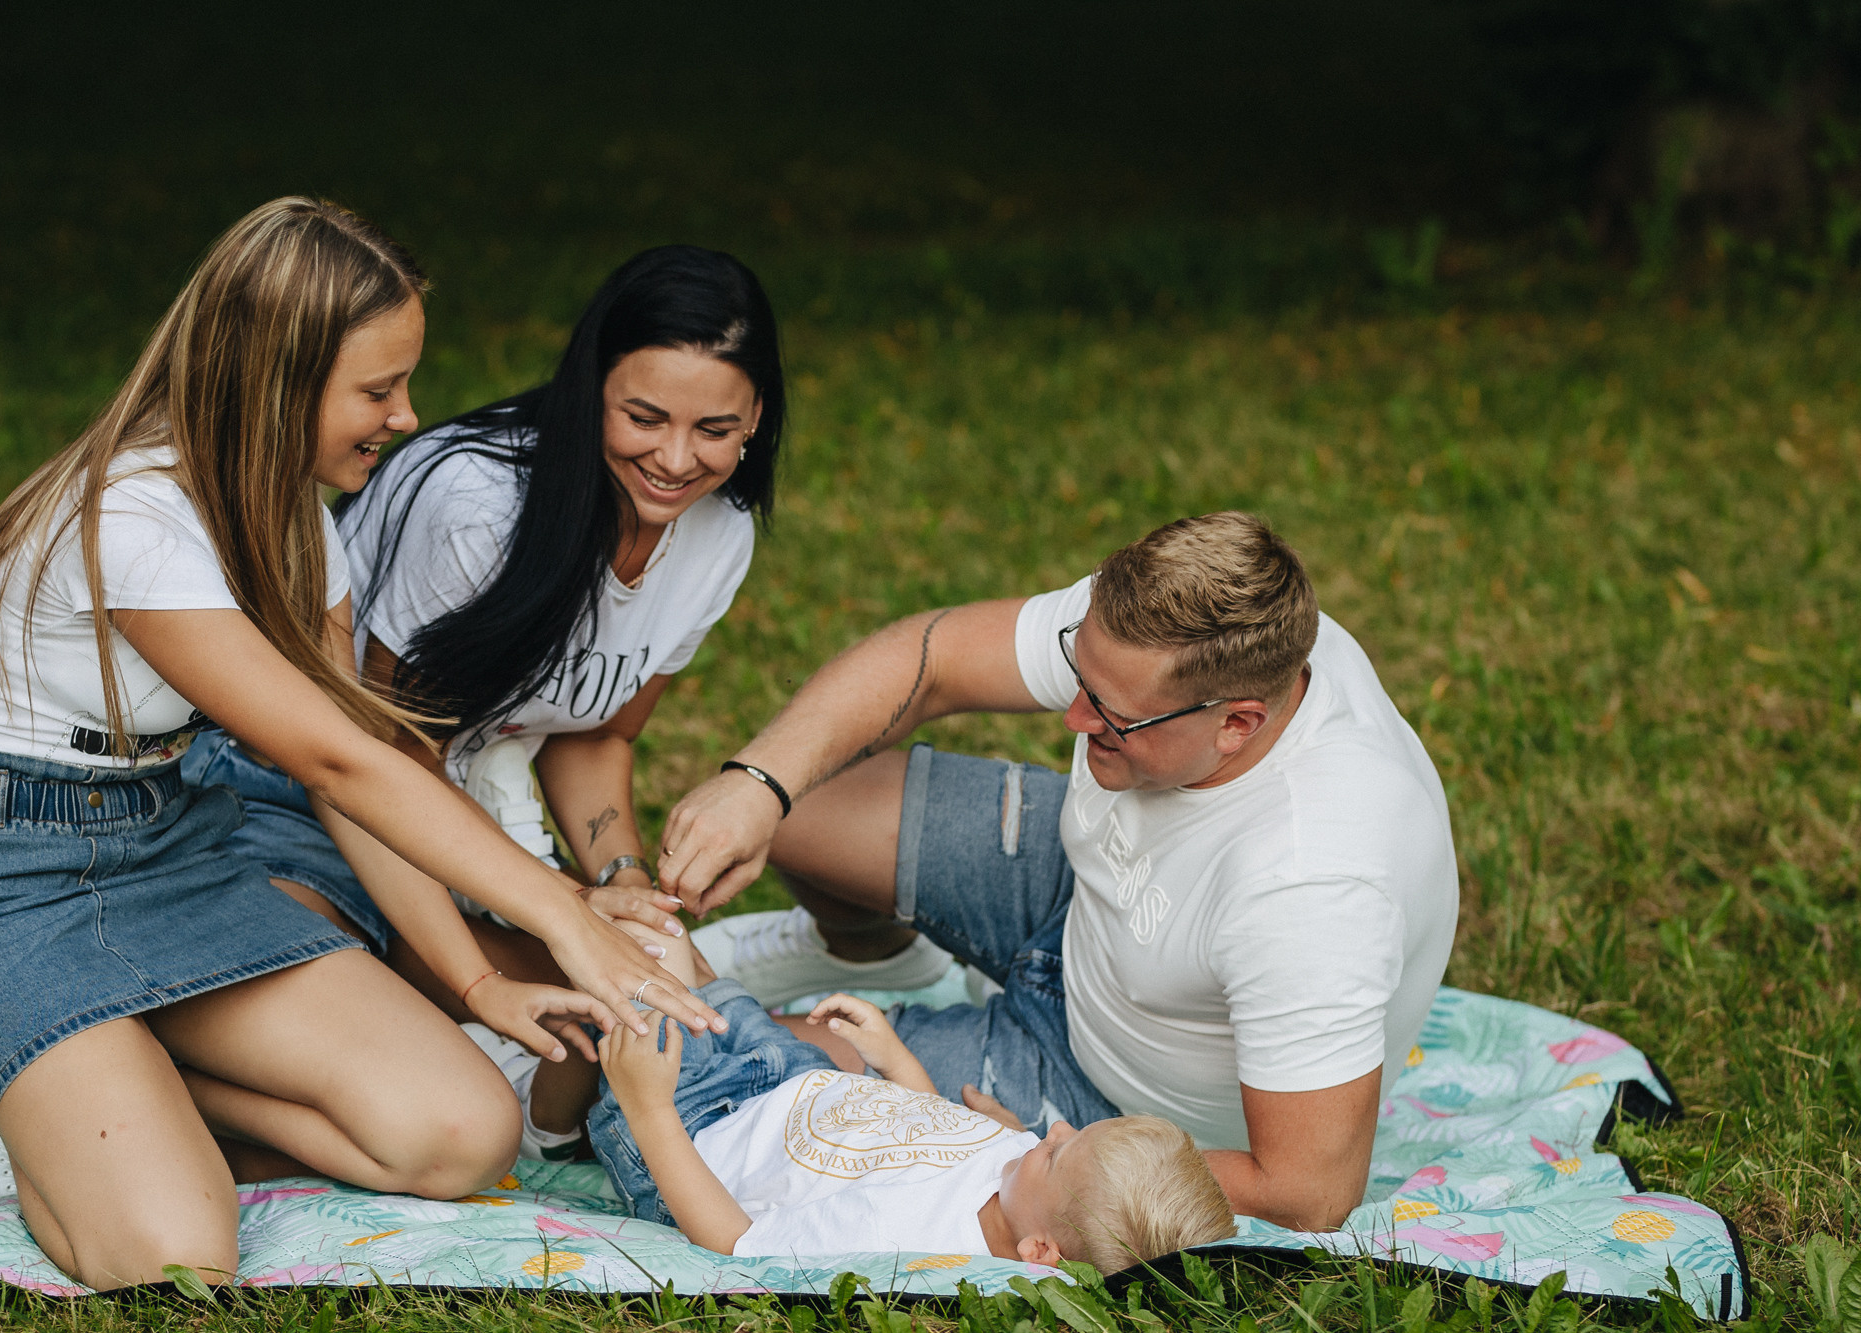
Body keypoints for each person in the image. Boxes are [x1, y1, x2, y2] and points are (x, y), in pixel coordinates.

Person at [0, 198, 721, 1290]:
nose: (407, 417)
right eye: (377, 389)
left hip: (166, 848)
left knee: (462, 1133)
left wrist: (473, 980)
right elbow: (339, 762)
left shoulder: (295, 524)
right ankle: (30, 1104)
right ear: (274, 381)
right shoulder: (133, 517)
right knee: (172, 1257)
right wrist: (565, 920)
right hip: (0, 875)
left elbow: (356, 775)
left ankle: (111, 1085)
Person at [661, 512, 1459, 1232]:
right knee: (799, 786)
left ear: (1238, 723)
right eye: (1077, 676)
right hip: (1082, 893)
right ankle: (866, 952)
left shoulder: (1312, 887)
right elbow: (933, 656)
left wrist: (1057, 1163)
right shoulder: (1196, 629)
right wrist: (758, 783)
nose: (1074, 720)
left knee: (703, 1080)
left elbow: (1307, 1193)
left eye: (1110, 716)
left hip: (1106, 1094)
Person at [180, 244, 786, 1154]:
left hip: (471, 850)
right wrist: (553, 907)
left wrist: (618, 884)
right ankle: (112, 1075)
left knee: (649, 1007)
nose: (674, 459)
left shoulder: (719, 532)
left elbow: (595, 735)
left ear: (755, 421)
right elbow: (375, 755)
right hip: (305, 813)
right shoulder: (477, 503)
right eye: (645, 417)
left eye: (713, 430)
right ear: (592, 393)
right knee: (415, 1100)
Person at [589, 933, 1235, 1268]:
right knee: (672, 952)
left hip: (696, 1130)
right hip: (787, 1078)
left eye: (1058, 1155)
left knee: (627, 956)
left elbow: (736, 1243)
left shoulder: (902, 1237)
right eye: (1078, 1132)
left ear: (1039, 1254)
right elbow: (928, 1138)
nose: (1058, 1128)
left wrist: (649, 1111)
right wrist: (893, 1058)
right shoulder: (1022, 1188)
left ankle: (547, 1092)